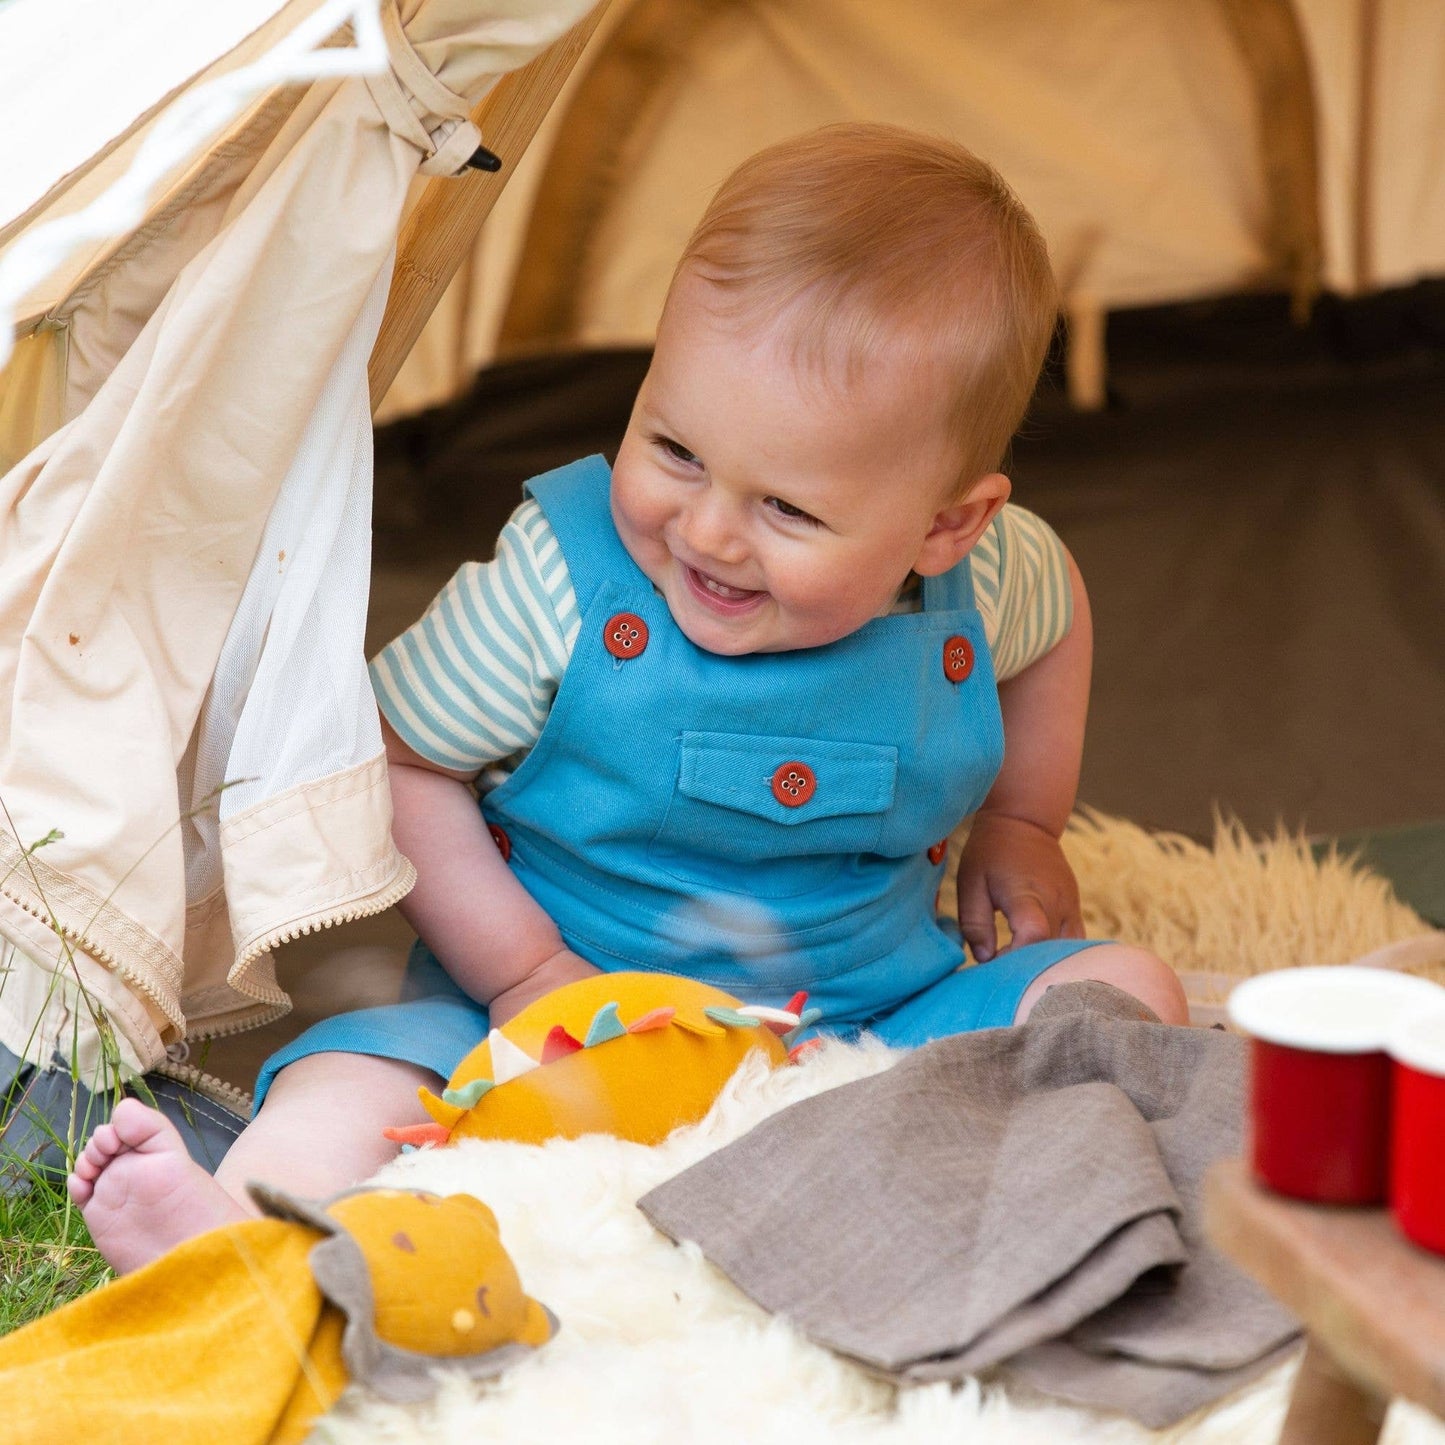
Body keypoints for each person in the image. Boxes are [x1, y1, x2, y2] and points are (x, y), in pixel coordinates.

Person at [70, 123, 1187, 1273]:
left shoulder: (987, 578)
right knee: (353, 1079)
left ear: (945, 523)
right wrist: (518, 966)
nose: (704, 530)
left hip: (860, 1022)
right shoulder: (560, 584)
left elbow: (1058, 622)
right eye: (673, 448)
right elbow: (396, 757)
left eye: (786, 511)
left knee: (1122, 988)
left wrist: (1022, 822)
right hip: (550, 1017)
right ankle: (232, 1238)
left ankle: (1031, 1193)